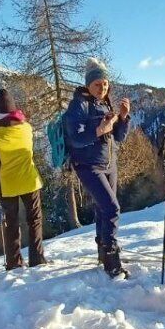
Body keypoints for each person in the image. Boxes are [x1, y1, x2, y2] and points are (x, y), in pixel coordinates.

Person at [64, 59, 131, 278]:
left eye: (104, 83)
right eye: (97, 84)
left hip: (109, 164)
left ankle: (103, 255)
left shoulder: (106, 104)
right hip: (88, 165)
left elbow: (119, 137)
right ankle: (112, 261)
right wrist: (99, 130)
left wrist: (123, 117)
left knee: (103, 210)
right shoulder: (79, 105)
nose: (102, 88)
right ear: (88, 85)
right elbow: (75, 138)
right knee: (112, 208)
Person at [0, 88, 46, 270]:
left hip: (7, 184)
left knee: (11, 223)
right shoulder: (26, 128)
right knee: (34, 220)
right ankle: (37, 258)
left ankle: (14, 262)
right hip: (30, 180)